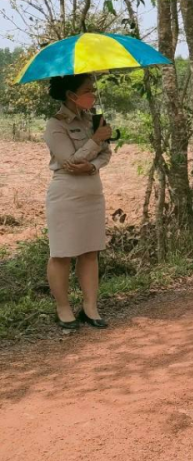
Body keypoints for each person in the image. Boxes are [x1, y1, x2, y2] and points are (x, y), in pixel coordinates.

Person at [43, 74, 114, 330]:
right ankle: (63, 309)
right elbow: (69, 162)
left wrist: (92, 166)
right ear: (72, 95)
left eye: (94, 89)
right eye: (88, 89)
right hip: (66, 195)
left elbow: (106, 154)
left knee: (90, 252)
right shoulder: (55, 124)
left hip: (93, 193)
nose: (93, 93)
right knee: (62, 253)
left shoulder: (92, 120)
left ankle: (90, 307)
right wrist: (95, 140)